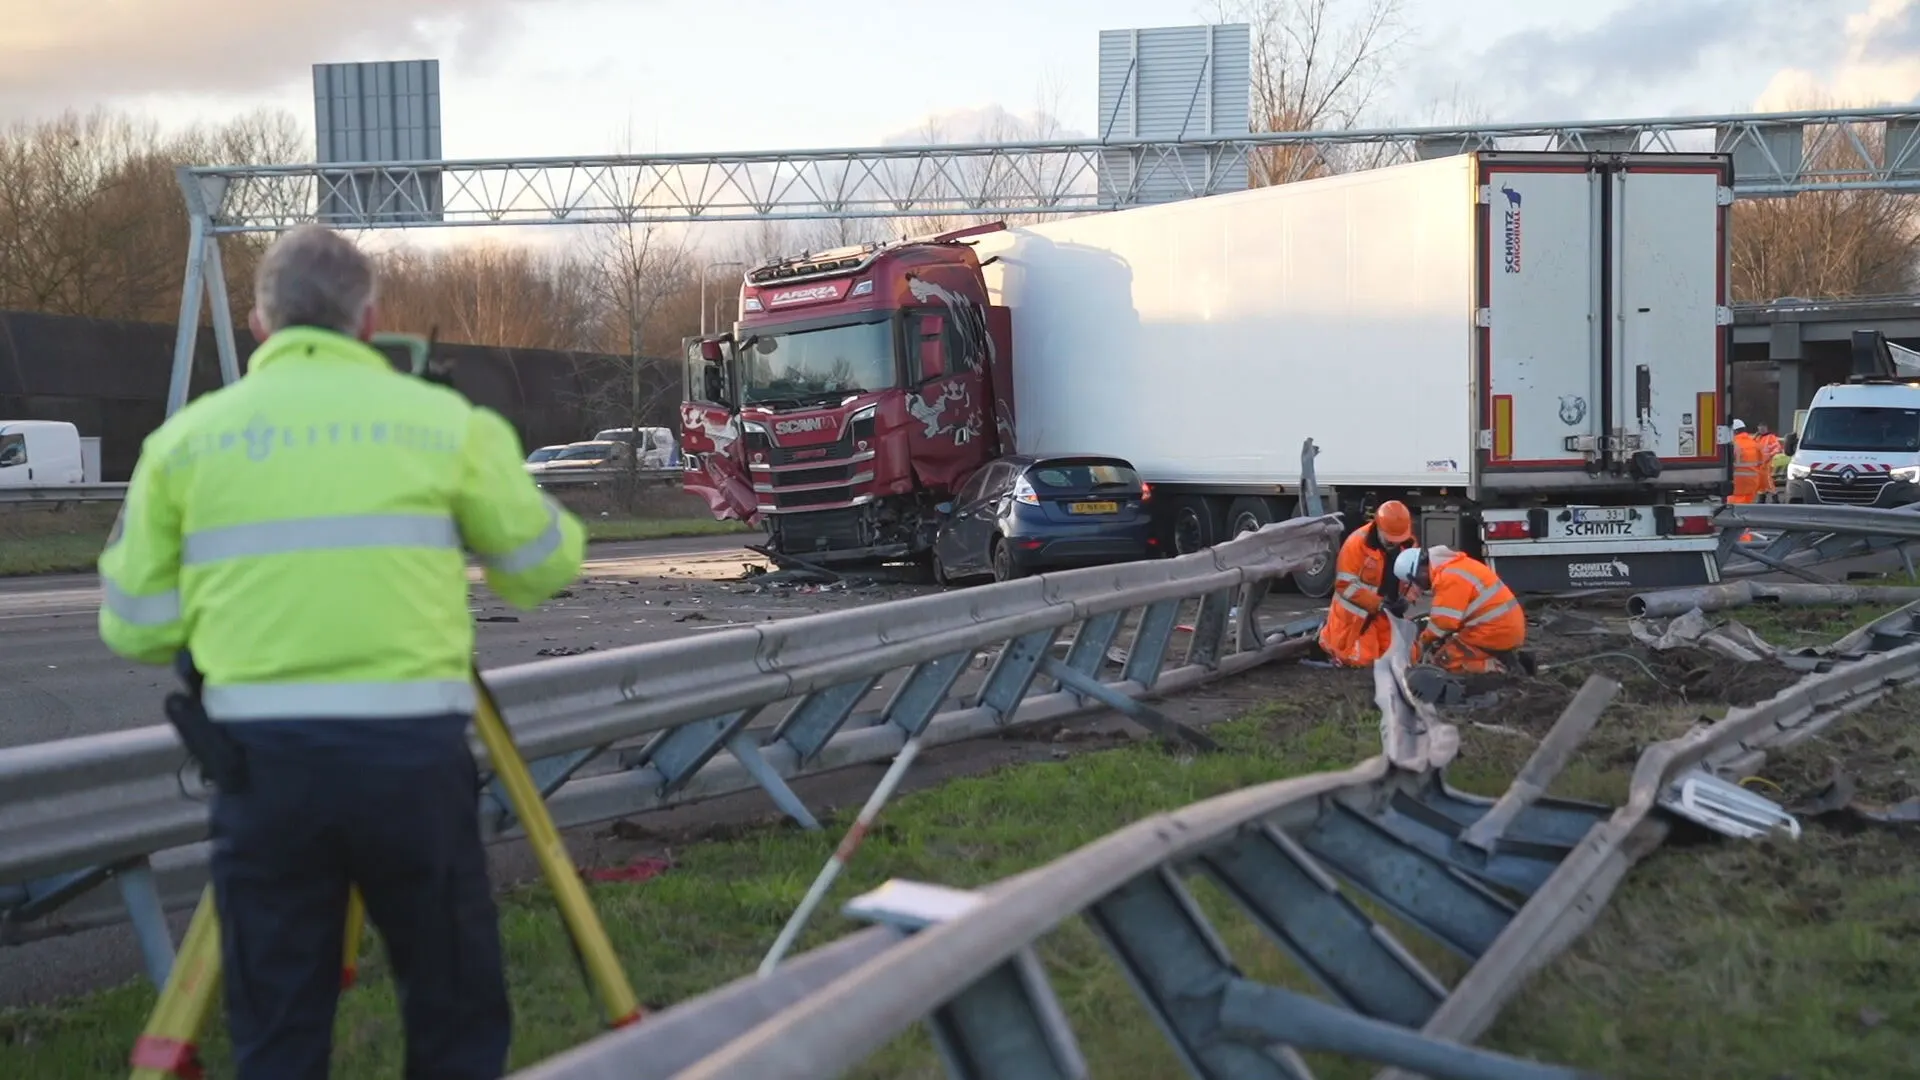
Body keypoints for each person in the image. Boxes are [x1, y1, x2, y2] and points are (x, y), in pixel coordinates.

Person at [97, 225, 585, 1080]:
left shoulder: (185, 444)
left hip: (263, 776)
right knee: (453, 1006)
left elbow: (136, 624)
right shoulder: (445, 425)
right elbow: (542, 568)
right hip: (414, 768)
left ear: (259, 324)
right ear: (368, 322)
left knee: (278, 1024)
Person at [1392, 545, 1527, 674]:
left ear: (1419, 571)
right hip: (1504, 627)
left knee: (1443, 661)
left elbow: (1444, 623)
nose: (1418, 586)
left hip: (1493, 633)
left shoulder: (1448, 577)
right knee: (1447, 643)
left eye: (1415, 582)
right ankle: (1505, 659)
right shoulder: (1454, 566)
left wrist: (1422, 641)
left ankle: (1497, 668)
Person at [1317, 500, 1417, 667]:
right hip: (1357, 619)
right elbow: (1344, 586)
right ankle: (1327, 639)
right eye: (1390, 538)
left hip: (1387, 615)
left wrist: (1406, 599)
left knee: (1408, 658)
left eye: (1397, 539)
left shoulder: (1406, 543)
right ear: (1377, 526)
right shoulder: (1356, 545)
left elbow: (1413, 579)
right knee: (1363, 661)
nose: (1393, 543)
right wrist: (1377, 604)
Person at [1730, 419, 1765, 505]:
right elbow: (1762, 463)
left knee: (1733, 508)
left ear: (1734, 431)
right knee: (1747, 507)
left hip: (1737, 483)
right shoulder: (1754, 444)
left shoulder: (1733, 444)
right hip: (1753, 482)